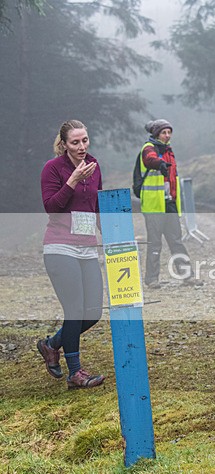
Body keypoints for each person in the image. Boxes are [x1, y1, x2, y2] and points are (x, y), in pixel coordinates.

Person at [38, 120, 106, 389]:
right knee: (74, 310)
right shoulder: (52, 169)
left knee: (93, 312)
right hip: (60, 247)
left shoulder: (95, 166)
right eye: (75, 142)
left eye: (85, 140)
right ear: (64, 144)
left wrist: (114, 237)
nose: (82, 146)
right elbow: (51, 208)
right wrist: (72, 181)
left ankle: (52, 344)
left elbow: (97, 205)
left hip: (87, 247)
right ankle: (75, 373)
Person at [136, 120, 201, 288]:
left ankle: (188, 276)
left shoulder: (169, 150)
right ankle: (152, 280)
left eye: (169, 132)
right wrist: (160, 163)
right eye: (164, 132)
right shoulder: (148, 148)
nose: (167, 135)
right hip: (154, 206)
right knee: (155, 243)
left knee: (176, 242)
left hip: (169, 203)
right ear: (157, 134)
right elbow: (149, 160)